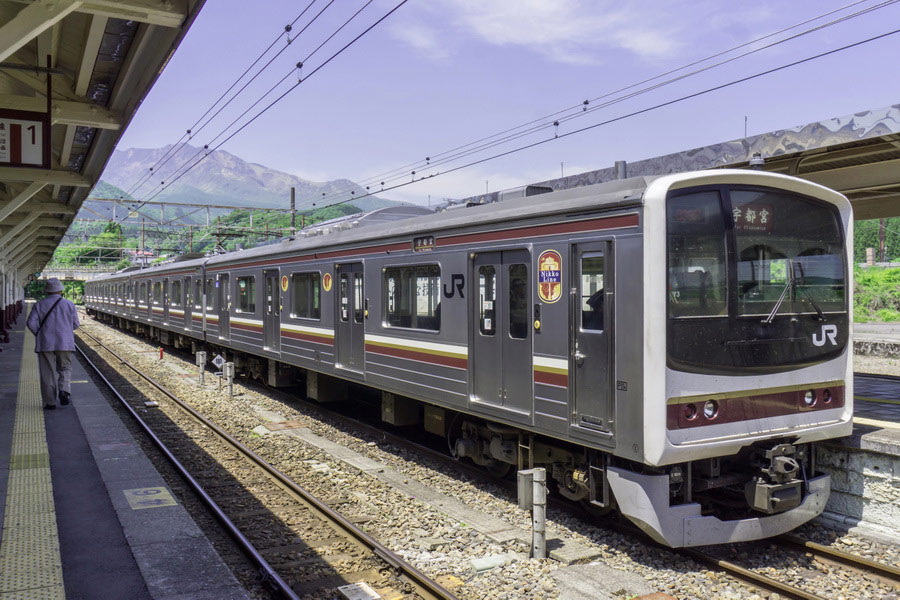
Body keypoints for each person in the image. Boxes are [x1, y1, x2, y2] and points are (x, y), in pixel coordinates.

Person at [26, 278, 80, 410]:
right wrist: (65, 330)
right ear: (60, 290)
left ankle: (50, 402)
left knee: (47, 372)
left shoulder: (39, 304)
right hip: (65, 342)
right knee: (65, 367)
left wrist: (40, 333)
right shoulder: (69, 304)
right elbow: (76, 324)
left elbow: (30, 323)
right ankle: (64, 390)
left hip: (45, 343)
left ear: (47, 291)